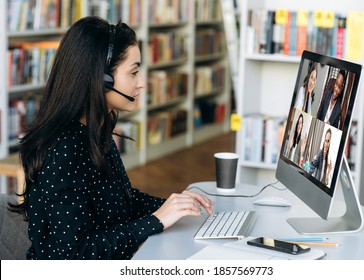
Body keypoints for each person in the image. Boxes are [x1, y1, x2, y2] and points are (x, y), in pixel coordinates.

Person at [9, 16, 213, 260]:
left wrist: (174, 206)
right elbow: (75, 254)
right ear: (102, 78)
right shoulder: (64, 148)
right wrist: (156, 220)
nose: (141, 84)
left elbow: (119, 199)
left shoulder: (95, 127)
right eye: (134, 72)